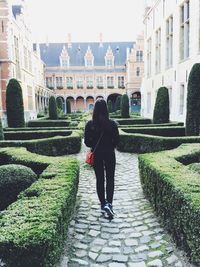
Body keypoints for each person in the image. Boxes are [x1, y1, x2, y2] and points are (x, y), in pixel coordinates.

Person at [84, 98, 119, 217]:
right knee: (110, 179)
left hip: (97, 154)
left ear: (95, 110)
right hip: (109, 153)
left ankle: (103, 204)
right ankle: (109, 203)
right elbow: (117, 141)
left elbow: (87, 143)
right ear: (106, 109)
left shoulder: (90, 124)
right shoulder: (112, 124)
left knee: (100, 179)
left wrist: (94, 143)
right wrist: (110, 145)